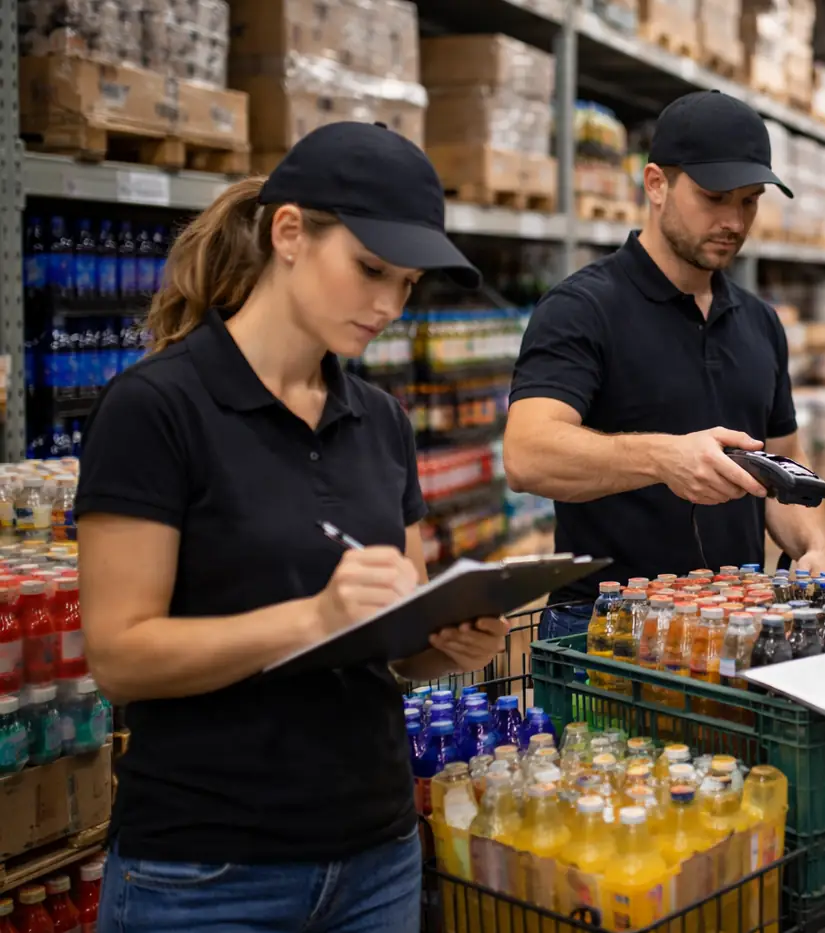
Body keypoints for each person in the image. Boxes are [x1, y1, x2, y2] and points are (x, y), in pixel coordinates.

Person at [76, 122, 510, 932]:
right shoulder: (157, 409)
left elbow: (391, 646)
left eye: (407, 283)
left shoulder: (380, 421)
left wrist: (442, 644)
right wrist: (311, 616)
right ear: (288, 234)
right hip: (207, 873)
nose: (387, 305)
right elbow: (119, 654)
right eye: (370, 269)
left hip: (377, 856)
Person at [504, 90, 825, 636]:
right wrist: (663, 458)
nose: (734, 220)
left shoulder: (759, 323)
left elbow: (785, 461)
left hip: (734, 627)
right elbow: (527, 453)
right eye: (715, 197)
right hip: (606, 635)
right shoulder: (583, 308)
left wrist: (816, 548)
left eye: (750, 200)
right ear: (655, 185)